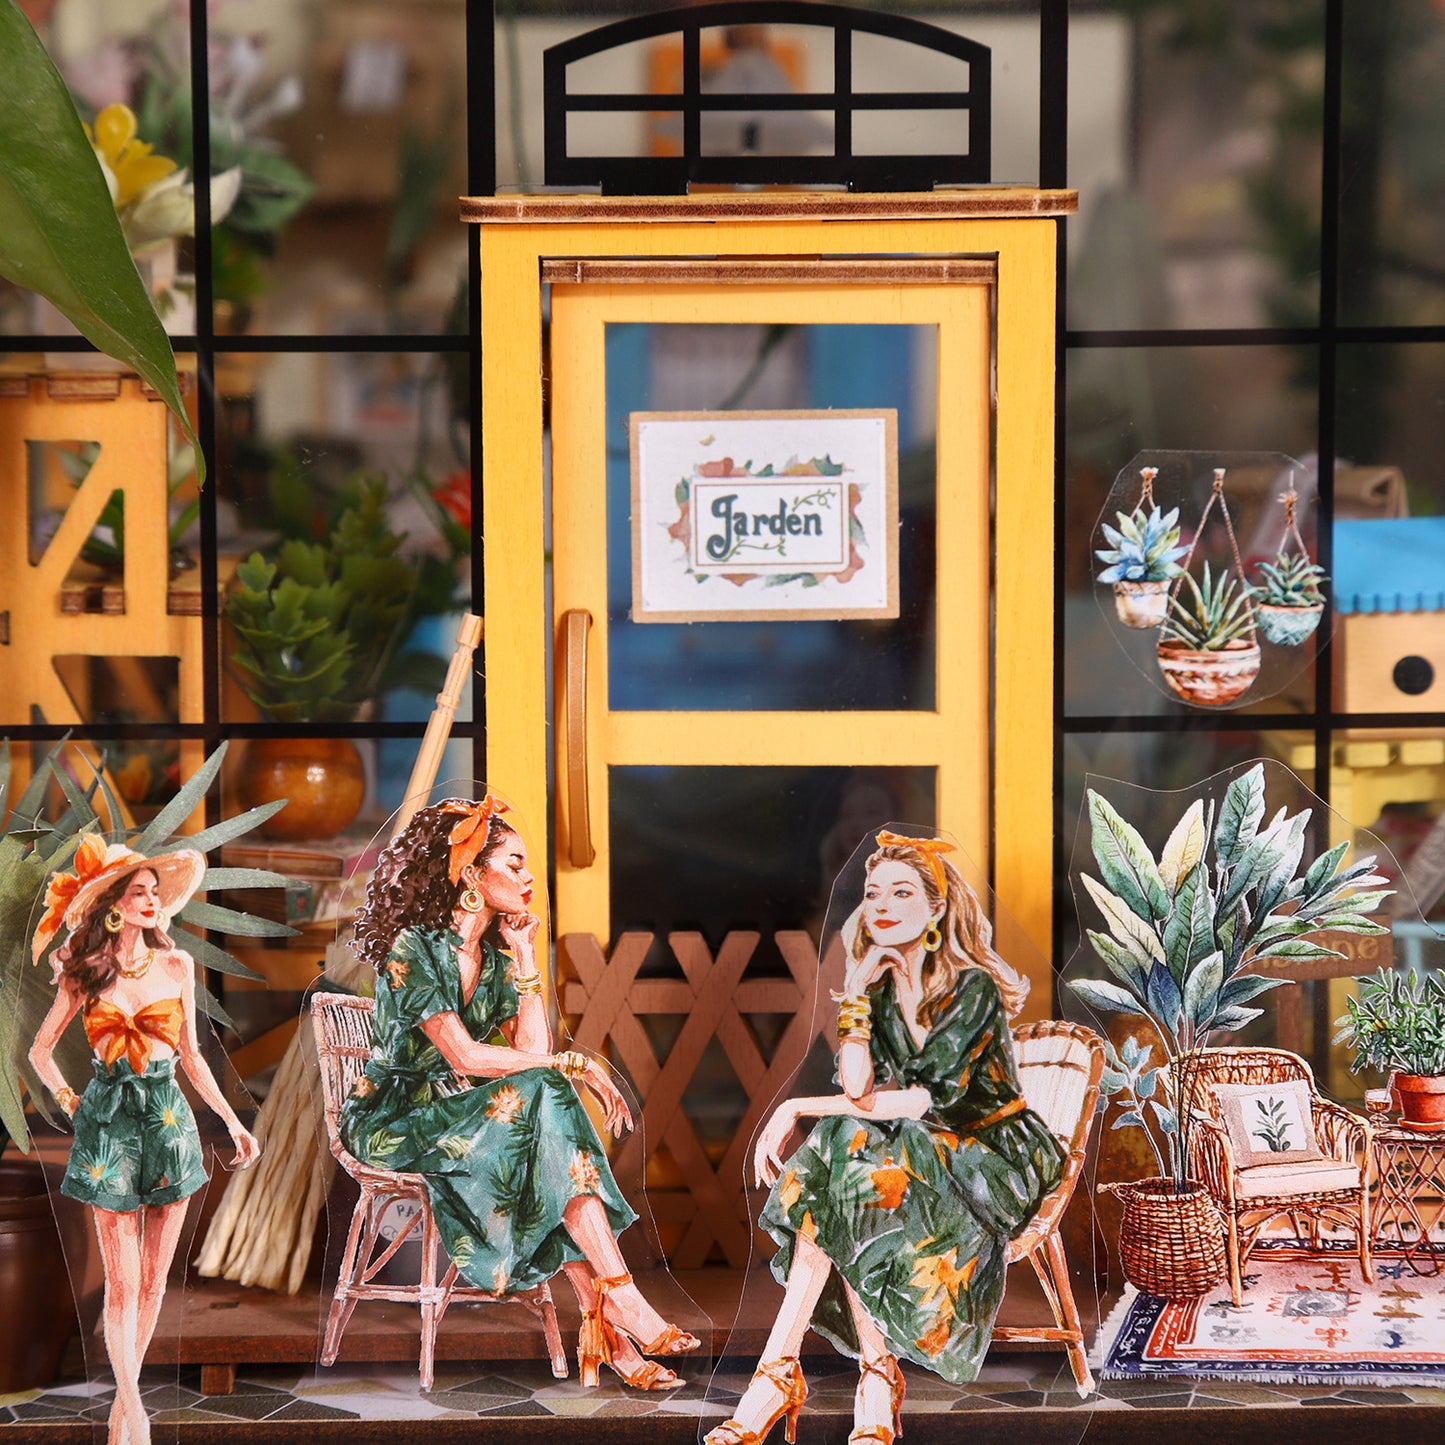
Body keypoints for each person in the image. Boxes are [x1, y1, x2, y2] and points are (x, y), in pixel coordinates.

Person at [708, 831, 1063, 1445]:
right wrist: (856, 990)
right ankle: (854, 1377)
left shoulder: (971, 989)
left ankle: (792, 1377)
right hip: (920, 1149)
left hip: (993, 1156)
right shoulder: (878, 987)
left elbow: (926, 1100)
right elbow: (857, 1086)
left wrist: (794, 1106)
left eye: (902, 893)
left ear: (936, 909)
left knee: (847, 1156)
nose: (882, 906)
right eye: (873, 894)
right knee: (849, 1160)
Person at [340, 795, 700, 1389]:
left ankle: (614, 1321)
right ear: (471, 875)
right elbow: (465, 1057)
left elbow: (532, 1056)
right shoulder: (415, 948)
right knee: (545, 1107)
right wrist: (574, 1064)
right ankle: (617, 1306)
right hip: (393, 1119)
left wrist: (526, 957)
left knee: (543, 1128)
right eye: (514, 863)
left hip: (458, 1114)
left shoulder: (496, 960)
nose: (529, 877)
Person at [28, 838, 261, 1445]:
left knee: (155, 1282)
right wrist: (73, 1102)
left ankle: (122, 1419)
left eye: (156, 892)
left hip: (168, 1121)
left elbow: (193, 1058)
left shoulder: (177, 967)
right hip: (108, 1125)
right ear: (114, 905)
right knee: (123, 1282)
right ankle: (134, 1411)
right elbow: (39, 1052)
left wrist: (232, 1122)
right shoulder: (84, 974)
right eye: (139, 892)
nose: (152, 901)